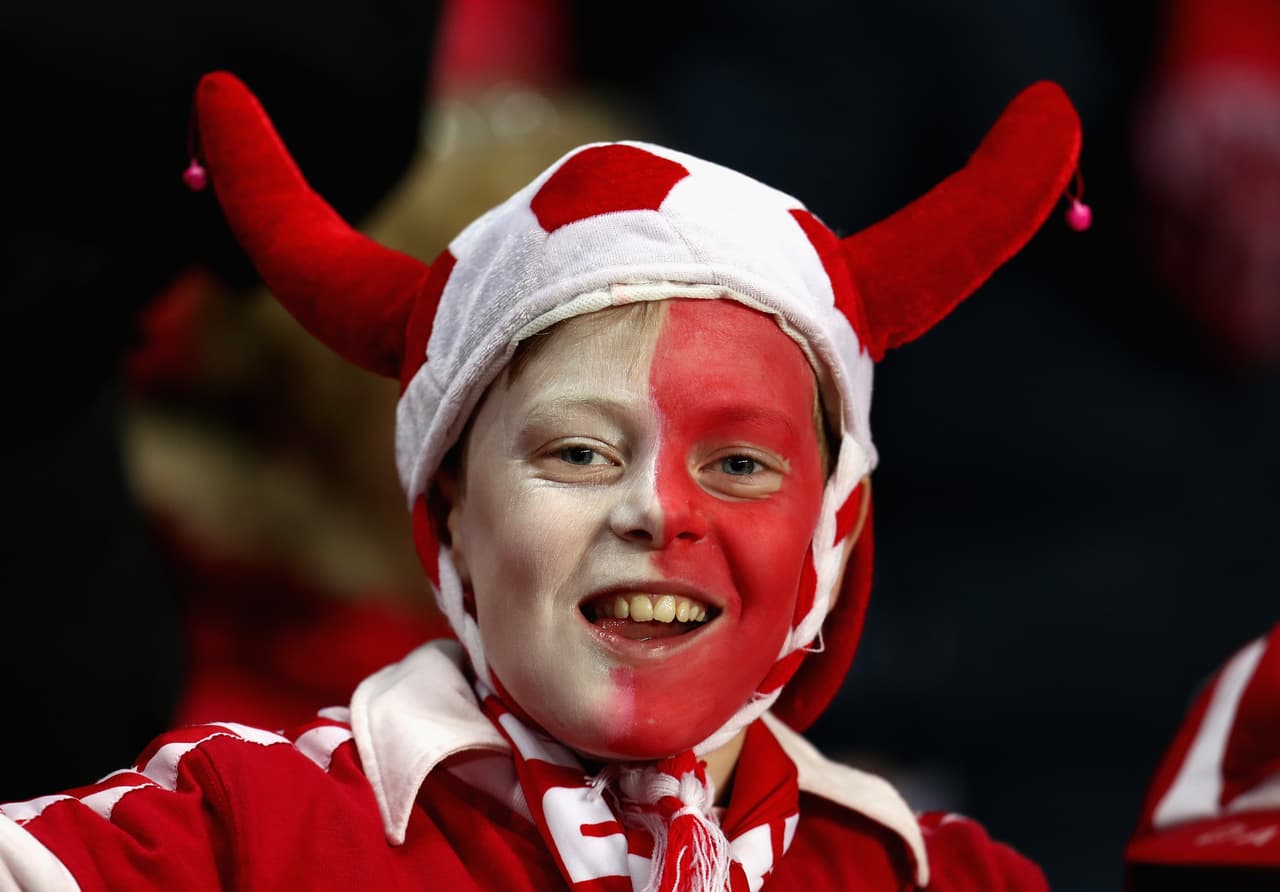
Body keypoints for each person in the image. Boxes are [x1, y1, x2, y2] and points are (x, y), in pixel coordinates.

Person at [0, 71, 1082, 890]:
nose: (657, 507)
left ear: (834, 528)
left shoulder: (930, 873)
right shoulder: (238, 833)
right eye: (577, 453)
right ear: (449, 514)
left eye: (739, 462)